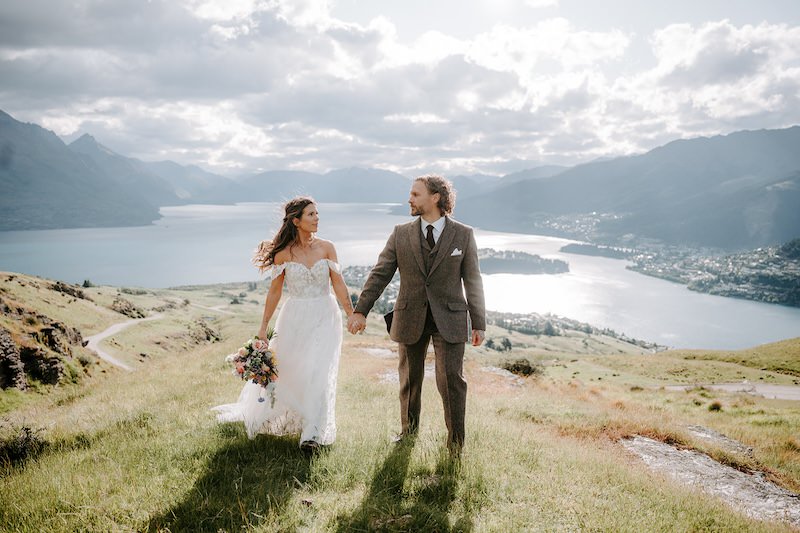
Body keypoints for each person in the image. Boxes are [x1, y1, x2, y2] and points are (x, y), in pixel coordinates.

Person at [347, 174, 485, 454]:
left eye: (415, 194)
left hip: (450, 318)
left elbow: (473, 280)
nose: (409, 199)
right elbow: (380, 273)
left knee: (451, 382)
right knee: (409, 380)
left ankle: (455, 444)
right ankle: (408, 434)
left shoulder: (463, 234)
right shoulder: (401, 233)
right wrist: (361, 310)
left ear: (435, 197)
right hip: (410, 316)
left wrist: (478, 322)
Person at [213, 197, 354, 451]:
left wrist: (351, 313)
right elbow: (275, 293)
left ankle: (312, 434)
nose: (317, 218)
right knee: (293, 370)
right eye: (311, 214)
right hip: (295, 317)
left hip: (325, 315)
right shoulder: (283, 255)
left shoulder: (327, 248)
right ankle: (293, 418)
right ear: (296, 221)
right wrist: (263, 326)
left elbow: (338, 283)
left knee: (319, 372)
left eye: (317, 213)